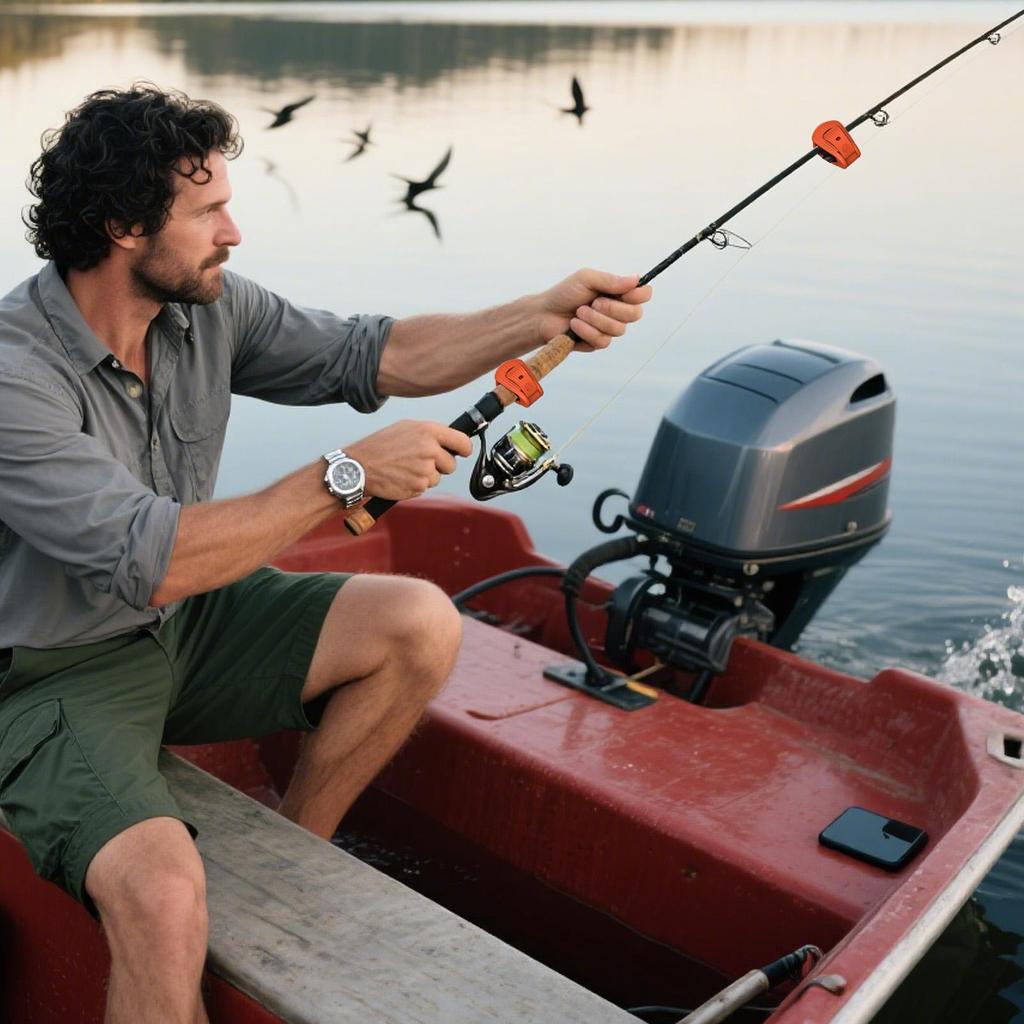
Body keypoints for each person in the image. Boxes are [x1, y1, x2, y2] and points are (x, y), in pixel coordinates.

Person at [0, 84, 652, 1023]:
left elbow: (372, 356)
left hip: (185, 626)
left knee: (417, 622)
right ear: (122, 225)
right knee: (162, 895)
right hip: (55, 671)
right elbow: (154, 559)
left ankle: (292, 862)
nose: (234, 232)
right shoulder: (17, 375)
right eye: (209, 210)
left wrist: (538, 316)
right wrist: (342, 477)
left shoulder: (206, 308)